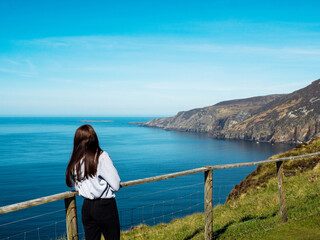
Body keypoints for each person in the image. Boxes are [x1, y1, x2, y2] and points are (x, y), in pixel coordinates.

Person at [65, 124, 121, 240]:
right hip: (105, 205)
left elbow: (77, 188)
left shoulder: (76, 160)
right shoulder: (101, 157)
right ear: (94, 139)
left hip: (87, 207)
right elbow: (116, 185)